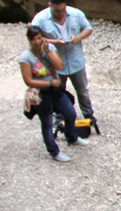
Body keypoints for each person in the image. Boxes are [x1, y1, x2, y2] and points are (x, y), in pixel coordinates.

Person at [31, 0, 96, 131]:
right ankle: (59, 118)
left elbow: (88, 28)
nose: (60, 13)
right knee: (57, 93)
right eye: (56, 11)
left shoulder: (76, 14)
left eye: (63, 10)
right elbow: (34, 38)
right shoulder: (40, 19)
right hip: (55, 65)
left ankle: (88, 115)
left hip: (75, 61)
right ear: (49, 5)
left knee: (82, 90)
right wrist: (54, 42)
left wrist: (77, 37)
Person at [19, 25, 82, 162]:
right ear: (29, 40)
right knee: (47, 123)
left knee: (70, 113)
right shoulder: (26, 57)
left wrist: (48, 52)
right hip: (42, 93)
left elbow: (59, 66)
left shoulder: (50, 49)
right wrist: (49, 83)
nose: (37, 42)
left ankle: (72, 137)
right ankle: (54, 151)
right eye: (33, 39)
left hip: (55, 91)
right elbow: (28, 81)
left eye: (39, 38)